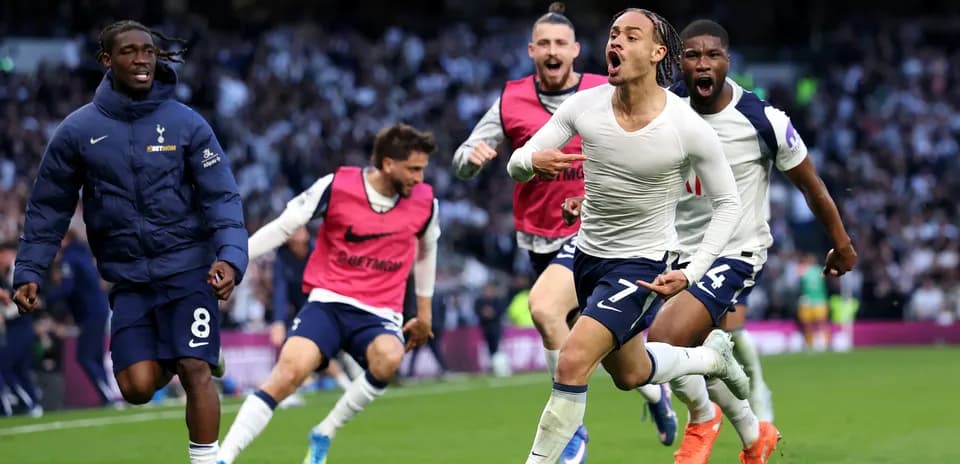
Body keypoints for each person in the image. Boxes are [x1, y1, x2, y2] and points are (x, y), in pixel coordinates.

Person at [507, 9, 750, 463]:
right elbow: (517, 161)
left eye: (631, 35)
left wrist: (693, 273)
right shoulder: (584, 106)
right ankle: (712, 360)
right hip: (587, 256)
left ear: (657, 53)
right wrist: (531, 164)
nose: (615, 41)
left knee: (575, 359)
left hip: (642, 265)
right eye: (614, 33)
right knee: (631, 373)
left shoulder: (686, 125)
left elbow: (729, 204)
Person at [12, 20, 248, 464]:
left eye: (149, 51)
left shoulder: (187, 123)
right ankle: (190, 352)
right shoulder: (77, 131)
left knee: (195, 369)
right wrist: (29, 270)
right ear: (107, 60)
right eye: (130, 52)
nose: (142, 59)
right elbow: (48, 208)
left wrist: (231, 259)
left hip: (188, 269)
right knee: (136, 388)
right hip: (128, 279)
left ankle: (205, 457)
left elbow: (223, 198)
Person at [452, 2, 676, 456]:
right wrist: (468, 161)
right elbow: (463, 159)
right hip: (538, 241)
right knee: (623, 365)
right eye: (544, 44)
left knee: (544, 311)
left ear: (575, 50)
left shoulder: (604, 89)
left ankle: (571, 433)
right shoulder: (510, 99)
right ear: (532, 50)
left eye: (561, 43)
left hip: (597, 233)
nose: (553, 51)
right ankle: (656, 393)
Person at [648, 19, 856, 464]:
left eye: (713, 55)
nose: (703, 63)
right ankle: (753, 434)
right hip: (676, 253)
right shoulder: (665, 112)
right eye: (692, 55)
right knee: (650, 353)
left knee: (665, 339)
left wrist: (842, 243)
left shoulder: (763, 120)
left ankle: (702, 419)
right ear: (677, 62)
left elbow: (812, 187)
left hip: (735, 252)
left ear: (728, 61)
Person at [217, 123, 439, 464]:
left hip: (381, 312)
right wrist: (234, 260)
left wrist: (423, 315)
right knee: (289, 372)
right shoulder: (338, 185)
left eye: (422, 169)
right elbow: (285, 226)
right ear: (388, 163)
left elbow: (426, 253)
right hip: (329, 302)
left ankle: (325, 430)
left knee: (390, 357)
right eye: (414, 169)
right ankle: (224, 456)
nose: (420, 179)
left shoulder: (425, 204)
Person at [45, 229, 114, 405]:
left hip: (90, 313)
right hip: (98, 309)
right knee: (95, 356)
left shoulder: (69, 258)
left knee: (84, 356)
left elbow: (67, 288)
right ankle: (107, 395)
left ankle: (107, 395)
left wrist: (46, 299)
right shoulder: (82, 254)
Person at [0, 241, 42, 417]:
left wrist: (5, 311)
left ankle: (27, 403)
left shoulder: (17, 273)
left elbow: (29, 302)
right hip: (20, 328)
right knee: (19, 369)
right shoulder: (9, 274)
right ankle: (32, 403)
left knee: (4, 367)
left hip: (19, 328)